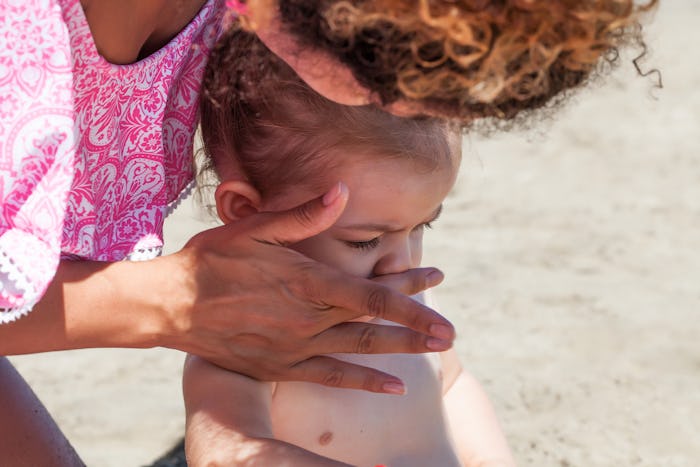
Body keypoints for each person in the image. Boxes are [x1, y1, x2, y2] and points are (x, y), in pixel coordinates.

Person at [0, 0, 657, 464]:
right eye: (399, 75)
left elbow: (452, 387)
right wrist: (174, 299)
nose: (404, 104)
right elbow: (228, 443)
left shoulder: (228, 30)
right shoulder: (25, 33)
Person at [182, 26, 516, 467]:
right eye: (366, 240)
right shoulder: (242, 336)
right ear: (248, 212)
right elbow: (228, 454)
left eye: (421, 227)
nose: (402, 263)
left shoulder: (404, 291)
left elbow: (450, 386)